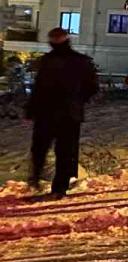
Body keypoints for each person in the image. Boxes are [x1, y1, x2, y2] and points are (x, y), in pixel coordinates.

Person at [25, 28, 99, 198]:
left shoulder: (47, 61)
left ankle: (40, 180)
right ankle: (58, 187)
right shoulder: (80, 61)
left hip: (48, 113)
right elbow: (92, 87)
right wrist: (78, 100)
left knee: (42, 149)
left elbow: (38, 89)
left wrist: (31, 109)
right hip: (68, 113)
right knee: (63, 151)